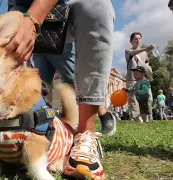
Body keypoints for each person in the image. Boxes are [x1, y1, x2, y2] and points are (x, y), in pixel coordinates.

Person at [6, 0, 115, 179]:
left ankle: (86, 135)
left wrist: (32, 18)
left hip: (63, 7)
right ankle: (22, 129)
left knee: (97, 7)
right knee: (41, 79)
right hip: (22, 6)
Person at [125, 32, 154, 121]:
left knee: (147, 98)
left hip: (143, 78)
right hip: (132, 78)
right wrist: (145, 48)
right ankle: (138, 118)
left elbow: (146, 62)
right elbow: (132, 54)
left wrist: (149, 68)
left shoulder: (144, 53)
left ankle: (145, 118)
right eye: (136, 39)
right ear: (131, 41)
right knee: (133, 98)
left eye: (139, 38)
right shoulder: (128, 51)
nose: (138, 40)